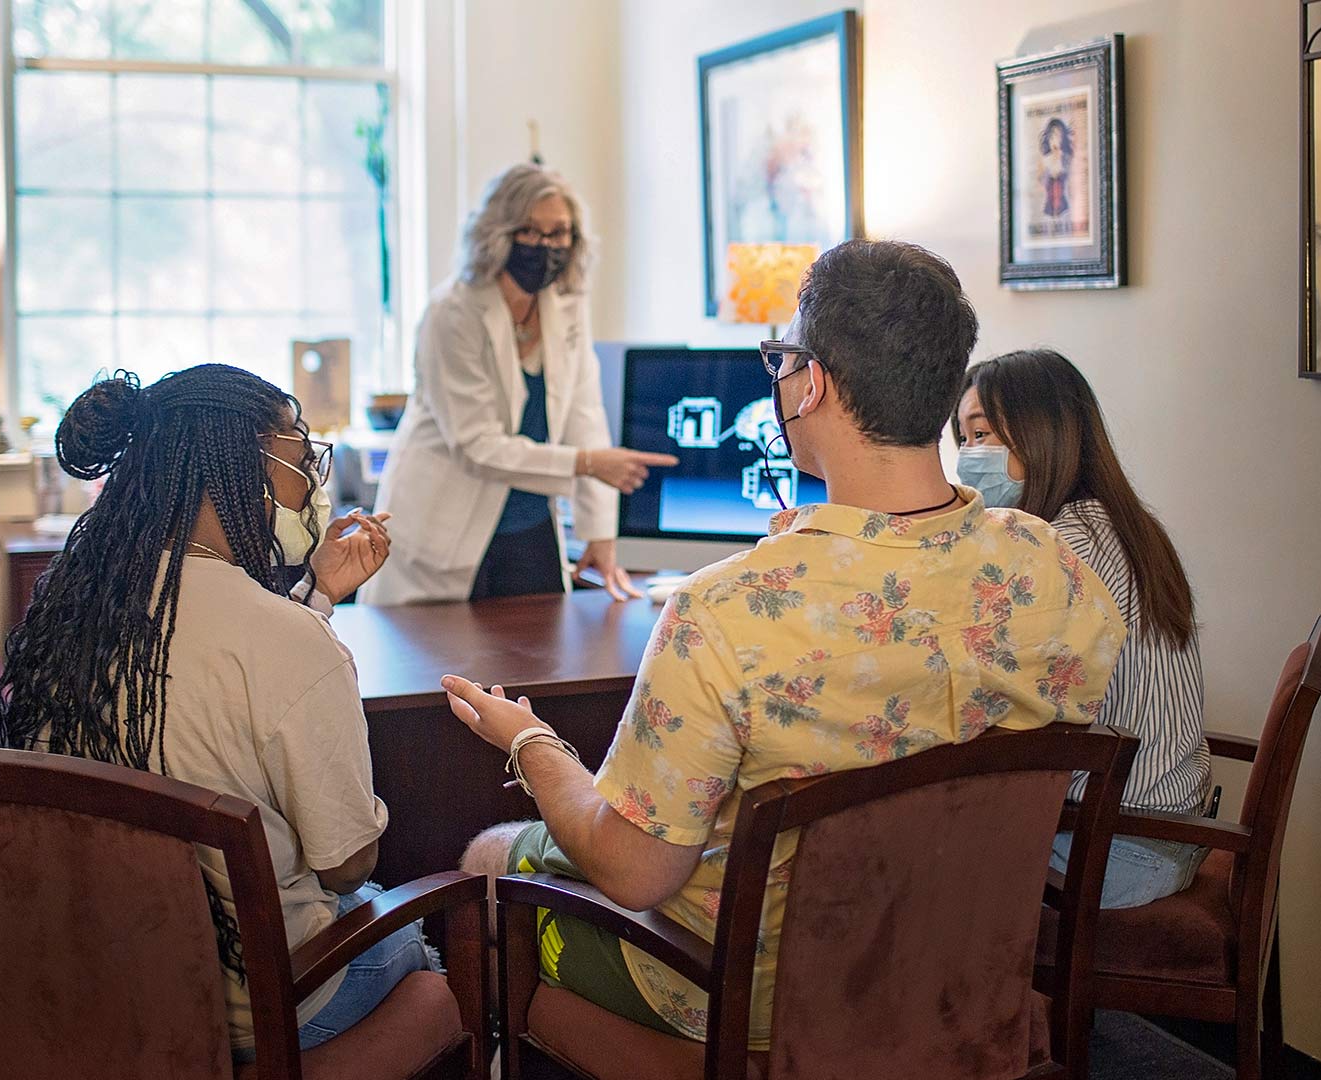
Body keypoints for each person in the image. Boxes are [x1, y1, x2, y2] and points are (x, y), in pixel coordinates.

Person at [442, 241, 1128, 1048]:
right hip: (954, 977)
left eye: (782, 360)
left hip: (747, 1002)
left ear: (814, 385)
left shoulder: (726, 614)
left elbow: (635, 874)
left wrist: (531, 742)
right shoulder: (1053, 570)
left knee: (490, 857)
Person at [0, 365, 427, 1060]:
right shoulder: (287, 645)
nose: (313, 480)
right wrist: (307, 626)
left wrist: (314, 595)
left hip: (102, 974)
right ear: (241, 460)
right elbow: (347, 865)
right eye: (301, 454)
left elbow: (205, 674)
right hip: (251, 1003)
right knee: (402, 927)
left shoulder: (80, 607)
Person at [955, 349, 1213, 908]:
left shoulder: (1063, 547)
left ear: (1042, 434)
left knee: (911, 869)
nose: (970, 458)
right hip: (1169, 825)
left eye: (984, 435)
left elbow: (1008, 706)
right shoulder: (1116, 521)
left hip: (1118, 846)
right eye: (965, 440)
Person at [362, 163, 676, 606]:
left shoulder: (565, 305)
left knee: (545, 658)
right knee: (441, 665)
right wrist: (588, 463)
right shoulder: (453, 312)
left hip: (529, 521)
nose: (545, 247)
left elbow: (585, 415)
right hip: (445, 522)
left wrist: (600, 534)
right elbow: (476, 445)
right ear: (497, 233)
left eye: (558, 233)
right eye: (530, 231)